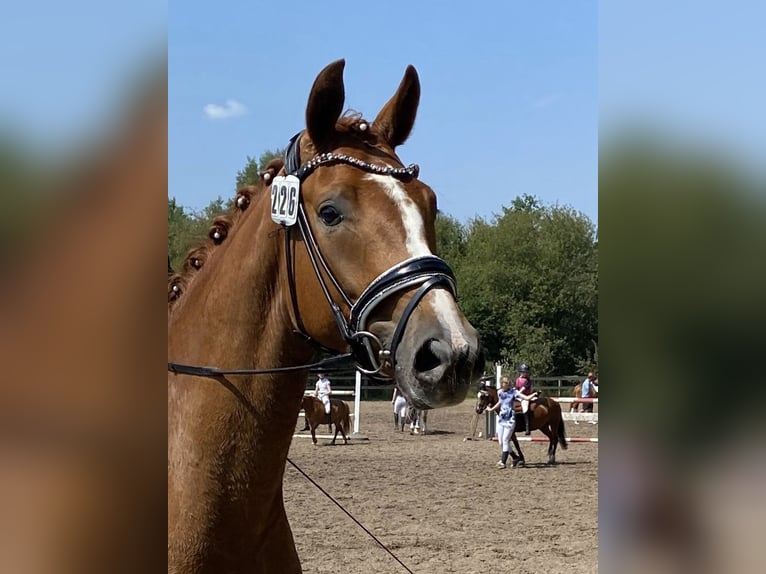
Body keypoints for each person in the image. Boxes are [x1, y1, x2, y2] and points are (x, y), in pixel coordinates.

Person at [485, 376, 537, 469]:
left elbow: (526, 397)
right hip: (501, 419)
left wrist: (533, 394)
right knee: (501, 442)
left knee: (505, 440)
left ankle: (503, 462)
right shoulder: (499, 392)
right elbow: (500, 402)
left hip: (510, 419)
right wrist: (492, 409)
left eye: (505, 383)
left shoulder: (514, 392)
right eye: (503, 383)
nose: (503, 384)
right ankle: (515, 457)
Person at [515, 363, 534, 435]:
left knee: (525, 408)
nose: (524, 373)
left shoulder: (528, 380)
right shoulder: (517, 379)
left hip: (525, 396)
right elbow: (515, 387)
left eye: (526, 372)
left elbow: (523, 389)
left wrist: (518, 393)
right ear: (520, 372)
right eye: (523, 372)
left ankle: (527, 427)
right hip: (518, 395)